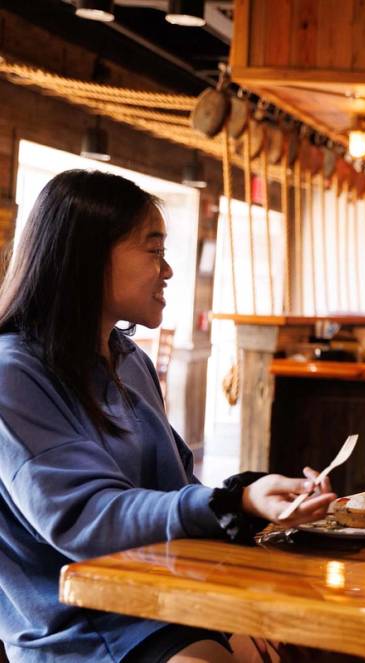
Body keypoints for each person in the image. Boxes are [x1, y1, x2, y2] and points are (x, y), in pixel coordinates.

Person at [0, 170, 336, 662]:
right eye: (153, 251)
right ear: (88, 258)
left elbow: (171, 488)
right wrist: (233, 503)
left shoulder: (127, 360)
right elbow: (84, 519)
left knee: (310, 637)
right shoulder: (14, 375)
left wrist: (254, 497)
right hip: (78, 630)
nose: (169, 270)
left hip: (163, 599)